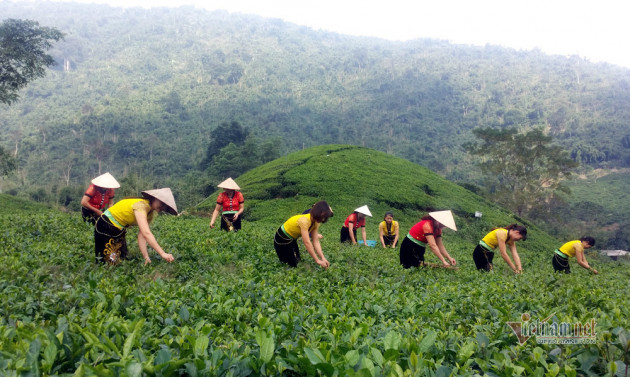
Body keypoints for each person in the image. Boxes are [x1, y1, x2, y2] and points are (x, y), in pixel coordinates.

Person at [94, 188, 178, 265]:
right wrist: (163, 254)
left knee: (122, 258)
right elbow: (146, 233)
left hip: (118, 229)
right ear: (155, 198)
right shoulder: (141, 206)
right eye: (161, 203)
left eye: (165, 206)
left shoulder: (150, 214)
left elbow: (142, 235)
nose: (163, 207)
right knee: (108, 261)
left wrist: (146, 257)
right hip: (105, 225)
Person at [274, 201, 334, 268]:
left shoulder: (316, 223)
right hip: (281, 238)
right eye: (323, 216)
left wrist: (322, 258)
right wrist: (317, 260)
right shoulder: (304, 221)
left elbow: (315, 241)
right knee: (289, 264)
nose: (323, 219)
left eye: (325, 217)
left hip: (292, 238)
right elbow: (307, 242)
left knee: (297, 260)